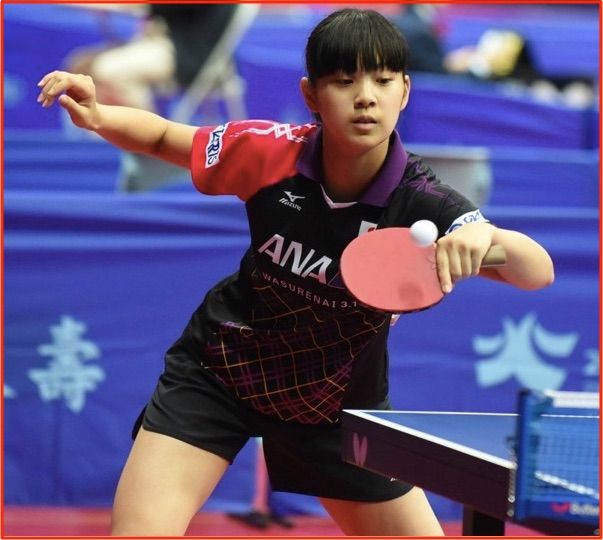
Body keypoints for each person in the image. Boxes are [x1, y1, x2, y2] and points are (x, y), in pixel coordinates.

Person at [37, 8, 554, 536]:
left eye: (382, 81)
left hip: (334, 406)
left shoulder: (423, 202)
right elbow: (166, 136)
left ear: (405, 91)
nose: (366, 97)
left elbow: (537, 271)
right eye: (344, 81)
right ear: (311, 94)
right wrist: (99, 115)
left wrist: (484, 235)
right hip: (220, 375)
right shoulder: (269, 151)